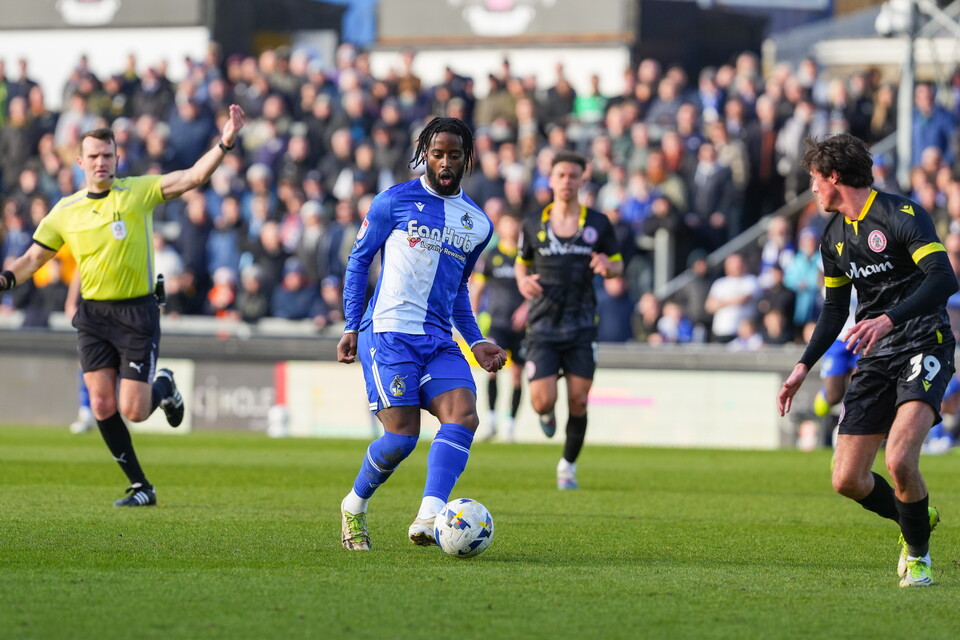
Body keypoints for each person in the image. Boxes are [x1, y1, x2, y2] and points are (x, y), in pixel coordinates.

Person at [0, 104, 246, 507]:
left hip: (137, 313)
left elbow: (194, 177)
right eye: (93, 156)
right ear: (80, 161)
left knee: (132, 409)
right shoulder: (65, 211)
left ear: (118, 158)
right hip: (93, 314)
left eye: (107, 155)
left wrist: (225, 140)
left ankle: (162, 384)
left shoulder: (137, 192)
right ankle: (141, 486)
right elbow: (32, 258)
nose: (100, 162)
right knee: (100, 402)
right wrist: (7, 279)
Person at [777, 133, 957, 588]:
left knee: (898, 461)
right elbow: (835, 310)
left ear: (834, 176)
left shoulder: (901, 215)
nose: (812, 189)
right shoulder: (834, 236)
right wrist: (803, 366)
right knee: (847, 479)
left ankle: (918, 555)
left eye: (815, 180)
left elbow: (943, 278)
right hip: (877, 357)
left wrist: (889, 320)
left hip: (923, 343)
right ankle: (918, 516)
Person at [336, 117, 506, 552]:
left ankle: (430, 515)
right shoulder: (392, 202)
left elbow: (457, 289)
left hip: (437, 339)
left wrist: (475, 340)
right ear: (424, 155)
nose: (445, 163)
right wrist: (351, 325)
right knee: (401, 438)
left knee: (464, 415)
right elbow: (358, 263)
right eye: (437, 154)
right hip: (390, 335)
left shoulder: (477, 224)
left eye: (454, 155)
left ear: (467, 158)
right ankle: (354, 506)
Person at [515, 150, 624, 490]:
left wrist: (609, 266)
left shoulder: (598, 224)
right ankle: (546, 415)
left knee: (578, 399)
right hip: (543, 324)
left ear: (582, 180)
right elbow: (522, 261)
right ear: (551, 179)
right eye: (561, 175)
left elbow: (619, 265)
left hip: (580, 323)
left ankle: (567, 466)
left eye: (573, 176)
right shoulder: (533, 223)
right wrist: (522, 280)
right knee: (542, 400)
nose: (567, 181)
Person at [470, 213, 527, 442]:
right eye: (507, 224)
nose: (511, 228)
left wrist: (526, 309)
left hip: (521, 326)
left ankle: (511, 425)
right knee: (493, 370)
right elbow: (478, 287)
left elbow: (534, 288)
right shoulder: (491, 256)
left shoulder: (525, 258)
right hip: (498, 323)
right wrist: (473, 316)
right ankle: (492, 422)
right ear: (500, 229)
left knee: (517, 375)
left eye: (514, 223)